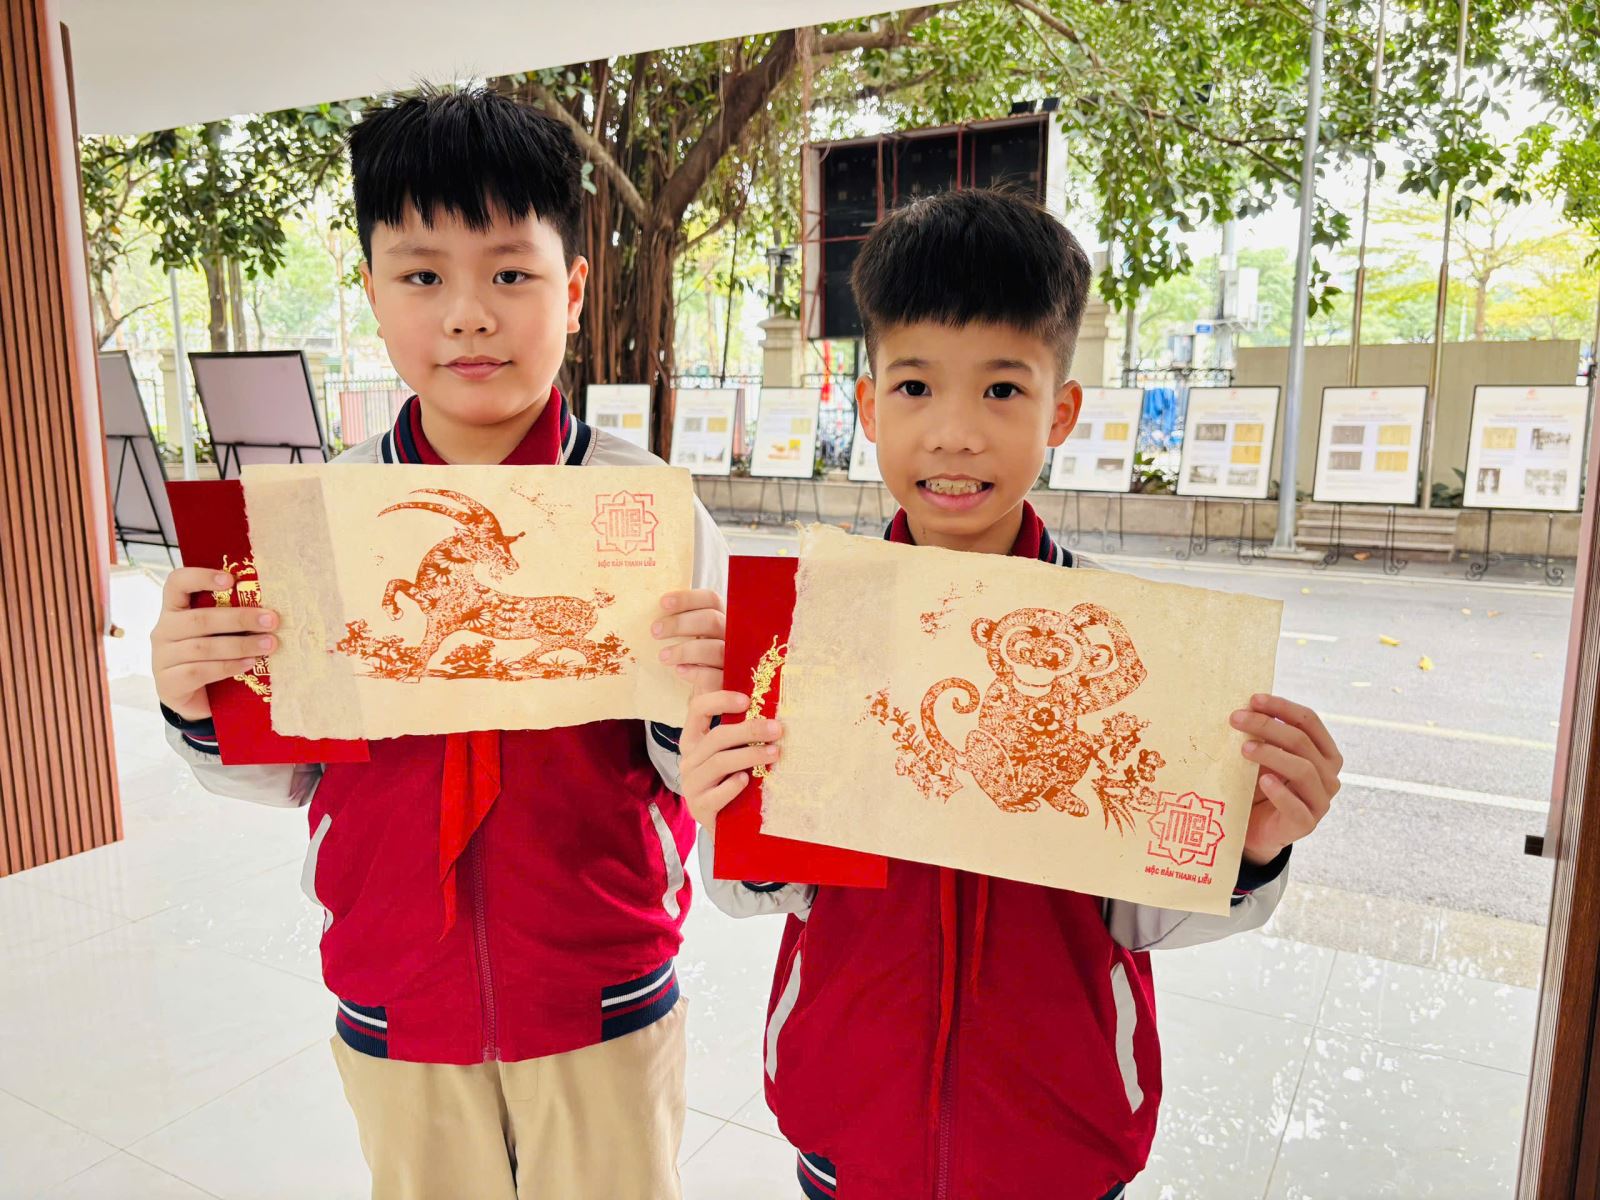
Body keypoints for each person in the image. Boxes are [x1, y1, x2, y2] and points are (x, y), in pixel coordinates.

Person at [678, 188, 1343, 1200]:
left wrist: (1247, 852)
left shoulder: (1129, 648)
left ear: (1059, 413)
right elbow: (761, 893)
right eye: (914, 387)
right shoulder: (812, 626)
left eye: (1001, 389)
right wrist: (724, 800)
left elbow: (1144, 920)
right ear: (867, 407)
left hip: (1060, 1144)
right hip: (852, 1130)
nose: (954, 434)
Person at [148, 87, 727, 1200]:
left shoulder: (648, 507)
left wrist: (692, 705)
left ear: (573, 292)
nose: (467, 316)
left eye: (509, 274)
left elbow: (699, 767)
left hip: (602, 996)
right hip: (394, 993)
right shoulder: (315, 522)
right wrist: (194, 701)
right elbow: (286, 769)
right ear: (372, 295)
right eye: (422, 277)